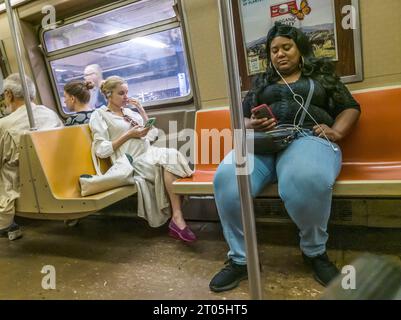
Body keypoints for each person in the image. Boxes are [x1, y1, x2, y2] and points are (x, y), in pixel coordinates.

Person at [209, 23, 361, 292]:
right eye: (274, 50)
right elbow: (241, 119)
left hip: (307, 138)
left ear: (300, 49)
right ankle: (240, 259)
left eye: (286, 47)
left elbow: (350, 107)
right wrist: (251, 125)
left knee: (305, 178)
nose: (280, 54)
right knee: (228, 178)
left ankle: (314, 252)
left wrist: (336, 131)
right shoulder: (262, 83)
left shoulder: (323, 77)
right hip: (264, 143)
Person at [89, 76, 196, 242]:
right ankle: (177, 219)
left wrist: (141, 110)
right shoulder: (100, 115)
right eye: (121, 93)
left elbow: (152, 134)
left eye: (127, 92)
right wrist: (128, 135)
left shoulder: (129, 113)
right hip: (131, 160)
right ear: (109, 95)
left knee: (171, 156)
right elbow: (101, 150)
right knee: (169, 160)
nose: (126, 96)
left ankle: (177, 217)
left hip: (149, 153)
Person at [0, 73, 63, 240]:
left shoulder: (5, 125)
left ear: (9, 94)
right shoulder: (51, 114)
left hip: (23, 183)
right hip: (56, 175)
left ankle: (7, 223)